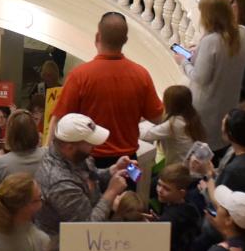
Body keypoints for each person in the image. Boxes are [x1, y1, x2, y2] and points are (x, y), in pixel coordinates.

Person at [51, 12, 165, 163]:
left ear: (98, 37)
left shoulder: (79, 76)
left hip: (87, 160)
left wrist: (50, 159)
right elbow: (159, 118)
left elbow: (58, 120)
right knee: (127, 187)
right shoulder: (141, 75)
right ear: (125, 40)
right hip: (128, 162)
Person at [34, 113, 134, 235]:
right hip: (64, 247)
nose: (95, 146)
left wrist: (111, 171)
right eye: (90, 142)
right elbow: (87, 230)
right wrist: (111, 193)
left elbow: (89, 177)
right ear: (69, 147)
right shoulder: (60, 183)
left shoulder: (76, 156)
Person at [184, 0, 245, 150]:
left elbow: (200, 78)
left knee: (204, 147)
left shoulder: (211, 42)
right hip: (230, 97)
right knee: (222, 140)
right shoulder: (244, 33)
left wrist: (184, 62)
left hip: (207, 103)